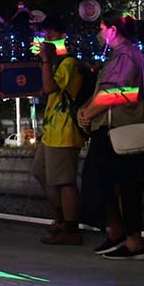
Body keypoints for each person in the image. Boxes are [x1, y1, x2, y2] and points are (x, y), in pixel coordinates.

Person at [78, 12, 144, 260]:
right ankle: (118, 234)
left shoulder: (126, 54)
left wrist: (87, 113)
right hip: (110, 128)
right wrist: (86, 110)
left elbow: (118, 93)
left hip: (118, 129)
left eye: (101, 28)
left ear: (112, 30)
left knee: (123, 187)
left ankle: (133, 243)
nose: (99, 33)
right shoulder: (121, 54)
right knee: (108, 185)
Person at [30, 16, 86, 246]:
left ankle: (71, 229)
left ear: (63, 37)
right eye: (45, 36)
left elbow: (50, 87)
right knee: (40, 172)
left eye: (51, 35)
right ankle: (61, 219)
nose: (47, 40)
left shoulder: (70, 63)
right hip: (52, 131)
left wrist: (45, 60)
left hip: (65, 130)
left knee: (64, 181)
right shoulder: (58, 63)